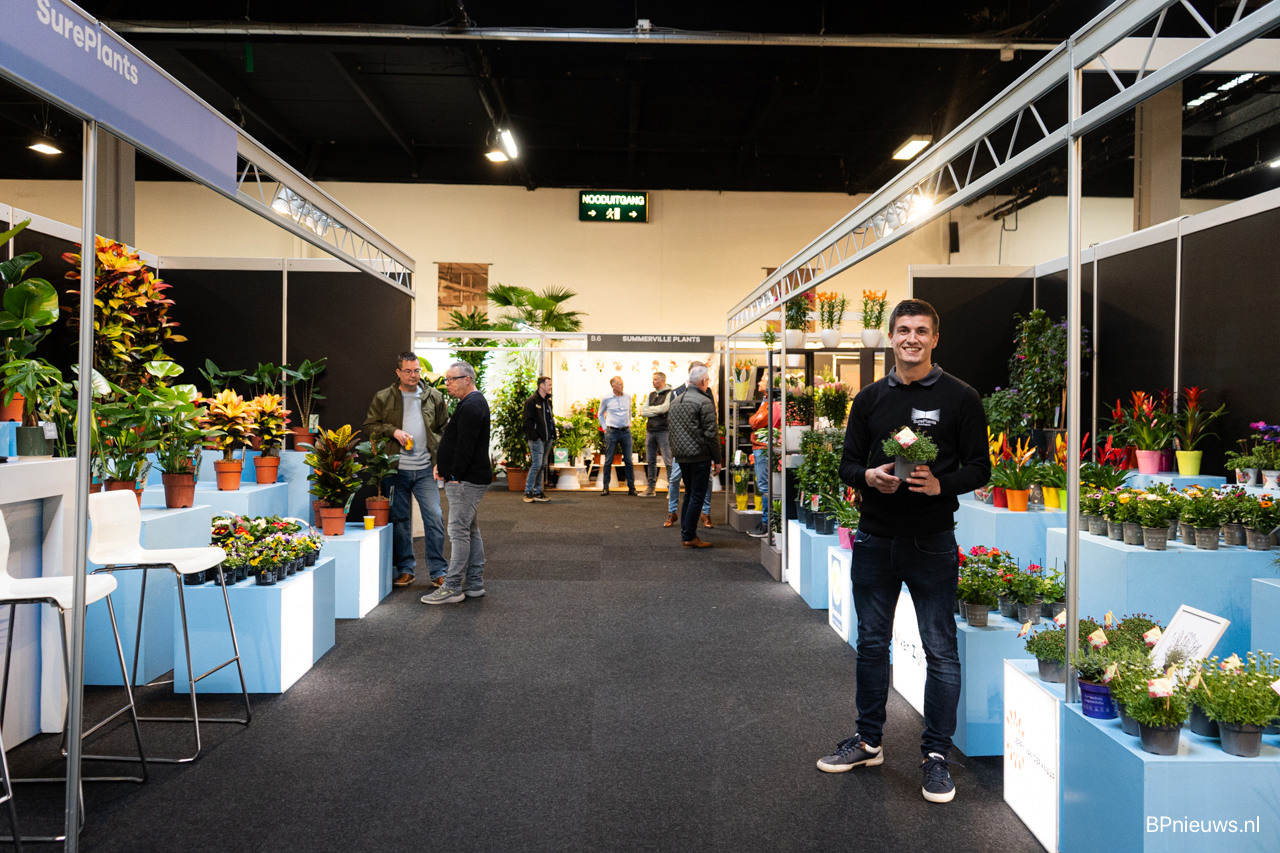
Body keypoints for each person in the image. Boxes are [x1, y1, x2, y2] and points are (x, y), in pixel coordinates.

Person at [815, 298, 989, 805]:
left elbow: (980, 467)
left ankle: (935, 755)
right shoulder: (869, 399)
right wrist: (867, 477)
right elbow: (848, 465)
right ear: (891, 337)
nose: (912, 338)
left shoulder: (961, 397)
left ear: (935, 339)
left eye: (921, 331)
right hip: (874, 539)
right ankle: (868, 741)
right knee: (872, 644)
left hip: (932, 542)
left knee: (940, 650)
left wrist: (941, 485)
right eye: (904, 330)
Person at [363, 352, 450, 588]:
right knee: (400, 520)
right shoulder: (384, 397)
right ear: (398, 372)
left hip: (425, 470)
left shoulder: (434, 396)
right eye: (408, 371)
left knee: (434, 518)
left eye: (417, 370)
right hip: (395, 470)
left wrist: (439, 459)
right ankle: (405, 569)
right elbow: (370, 426)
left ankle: (438, 571)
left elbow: (444, 429)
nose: (413, 375)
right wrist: (393, 431)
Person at [422, 362, 493, 605]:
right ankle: (474, 583)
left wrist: (453, 474)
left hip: (465, 481)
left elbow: (466, 447)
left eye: (452, 379)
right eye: (447, 379)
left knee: (458, 531)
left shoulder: (472, 405)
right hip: (466, 478)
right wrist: (443, 466)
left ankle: (452, 587)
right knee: (469, 529)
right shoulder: (471, 403)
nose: (448, 384)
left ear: (467, 379)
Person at [668, 364, 723, 548]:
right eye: (708, 381)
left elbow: (671, 431)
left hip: (681, 456)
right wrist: (717, 459)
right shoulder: (704, 402)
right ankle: (689, 536)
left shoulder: (676, 401)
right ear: (703, 381)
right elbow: (711, 434)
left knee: (689, 494)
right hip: (699, 456)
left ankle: (686, 533)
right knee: (697, 495)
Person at [747, 374, 782, 539]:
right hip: (761, 447)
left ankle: (767, 524)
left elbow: (755, 422)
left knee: (765, 486)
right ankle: (767, 522)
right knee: (765, 486)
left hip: (764, 447)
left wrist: (754, 420)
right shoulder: (766, 401)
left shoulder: (772, 403)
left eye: (762, 380)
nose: (759, 382)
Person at [597, 375, 637, 496]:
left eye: (622, 383)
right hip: (612, 431)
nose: (622, 386)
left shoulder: (628, 396)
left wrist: (629, 422)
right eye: (619, 384)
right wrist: (605, 428)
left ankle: (632, 487)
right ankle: (605, 487)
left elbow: (629, 411)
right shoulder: (606, 398)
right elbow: (600, 414)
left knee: (628, 460)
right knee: (608, 460)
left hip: (626, 431)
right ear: (613, 386)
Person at [639, 372, 674, 497]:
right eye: (652, 379)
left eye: (655, 379)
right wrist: (657, 411)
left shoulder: (670, 393)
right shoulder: (651, 395)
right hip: (650, 430)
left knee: (668, 461)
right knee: (650, 461)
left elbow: (665, 409)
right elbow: (643, 411)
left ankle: (671, 490)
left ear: (662, 380)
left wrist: (652, 410)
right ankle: (650, 489)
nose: (653, 381)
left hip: (664, 430)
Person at [522, 375, 556, 503]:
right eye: (549, 384)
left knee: (542, 465)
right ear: (541, 385)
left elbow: (550, 419)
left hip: (547, 439)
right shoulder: (531, 401)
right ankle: (528, 492)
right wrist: (534, 437)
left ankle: (537, 492)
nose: (551, 387)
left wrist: (553, 434)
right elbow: (527, 421)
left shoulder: (548, 401)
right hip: (537, 440)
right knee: (536, 465)